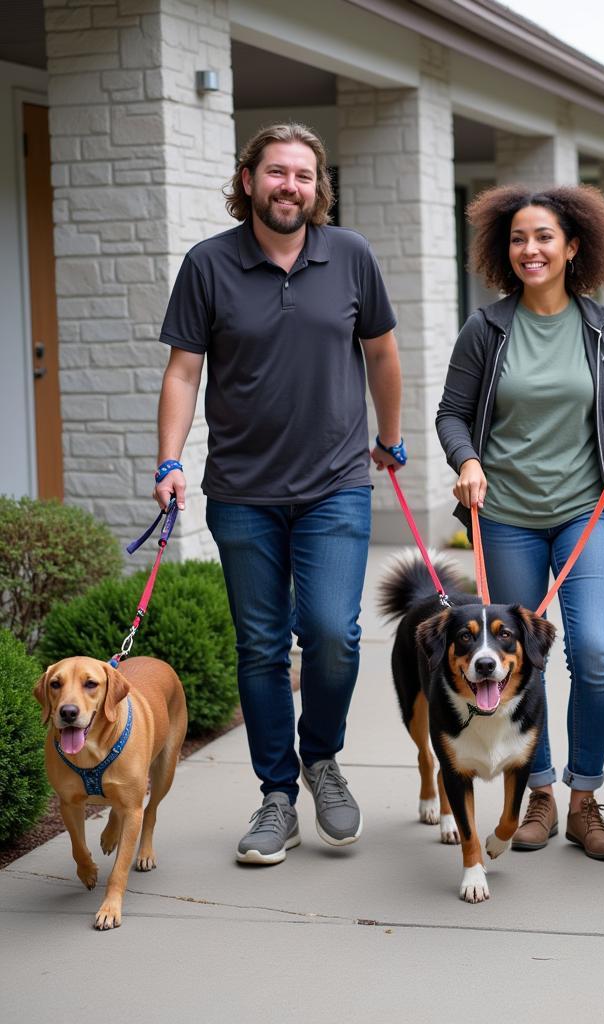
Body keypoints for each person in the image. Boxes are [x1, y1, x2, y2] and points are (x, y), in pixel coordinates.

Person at [153, 123, 405, 865]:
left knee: (332, 631)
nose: (289, 186)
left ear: (317, 186)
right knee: (261, 647)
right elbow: (182, 372)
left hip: (335, 485)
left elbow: (383, 353)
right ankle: (276, 796)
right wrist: (167, 460)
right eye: (276, 172)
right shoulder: (208, 265)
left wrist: (390, 439)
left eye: (302, 174)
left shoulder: (350, 255)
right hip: (242, 490)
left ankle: (321, 757)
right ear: (249, 178)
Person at [436, 184, 604, 860]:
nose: (530, 249)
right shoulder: (487, 328)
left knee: (595, 654)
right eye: (518, 239)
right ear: (503, 251)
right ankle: (536, 792)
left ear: (574, 247)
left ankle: (584, 799)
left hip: (584, 509)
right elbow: (451, 414)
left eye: (544, 237)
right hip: (505, 514)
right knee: (522, 660)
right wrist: (468, 460)